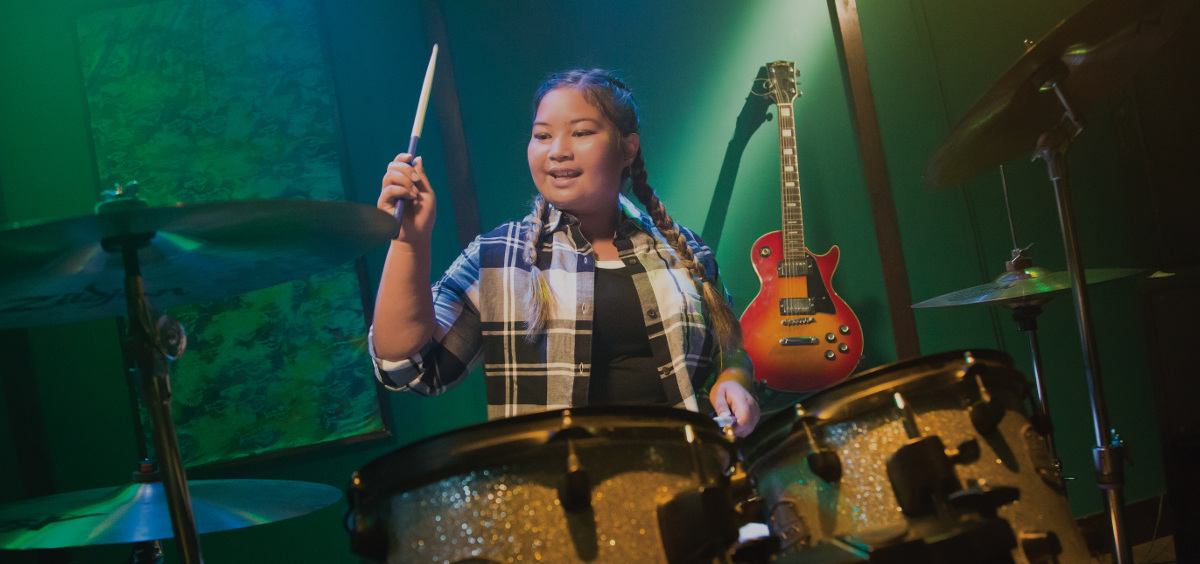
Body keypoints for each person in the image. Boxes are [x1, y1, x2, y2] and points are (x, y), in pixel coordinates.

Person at [369, 68, 760, 436]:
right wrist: (409, 241)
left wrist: (734, 379)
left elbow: (731, 350)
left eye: (581, 132)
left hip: (683, 482)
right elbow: (407, 368)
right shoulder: (498, 257)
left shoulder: (684, 249)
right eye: (542, 136)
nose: (557, 151)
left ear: (628, 149)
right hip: (555, 497)